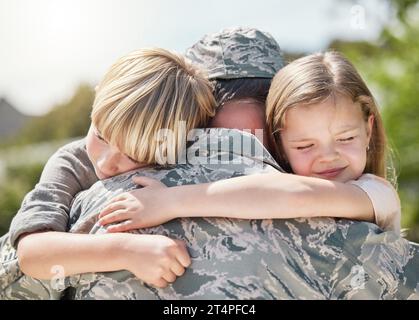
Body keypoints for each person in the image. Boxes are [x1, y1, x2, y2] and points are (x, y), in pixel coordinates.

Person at [57, 28, 418, 299]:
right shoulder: (116, 176)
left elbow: (290, 195)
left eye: (259, 148)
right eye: (219, 144)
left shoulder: (358, 195)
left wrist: (173, 201)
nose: (240, 164)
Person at [96, 51, 400, 235]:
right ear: (279, 144)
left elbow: (293, 195)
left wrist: (172, 201)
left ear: (369, 129)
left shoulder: (375, 194)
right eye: (305, 146)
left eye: (346, 138)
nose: (327, 157)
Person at [1, 47, 216, 294]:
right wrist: (128, 250)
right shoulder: (72, 161)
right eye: (101, 136)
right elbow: (31, 253)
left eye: (133, 156)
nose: (105, 163)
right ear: (97, 97)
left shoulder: (188, 156)